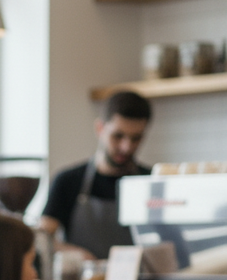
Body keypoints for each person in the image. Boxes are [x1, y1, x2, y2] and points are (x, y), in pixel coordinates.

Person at [39, 90, 152, 259]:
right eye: (118, 136)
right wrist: (77, 255)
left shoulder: (151, 182)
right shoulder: (68, 181)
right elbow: (42, 239)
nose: (126, 147)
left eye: (135, 138)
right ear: (100, 128)